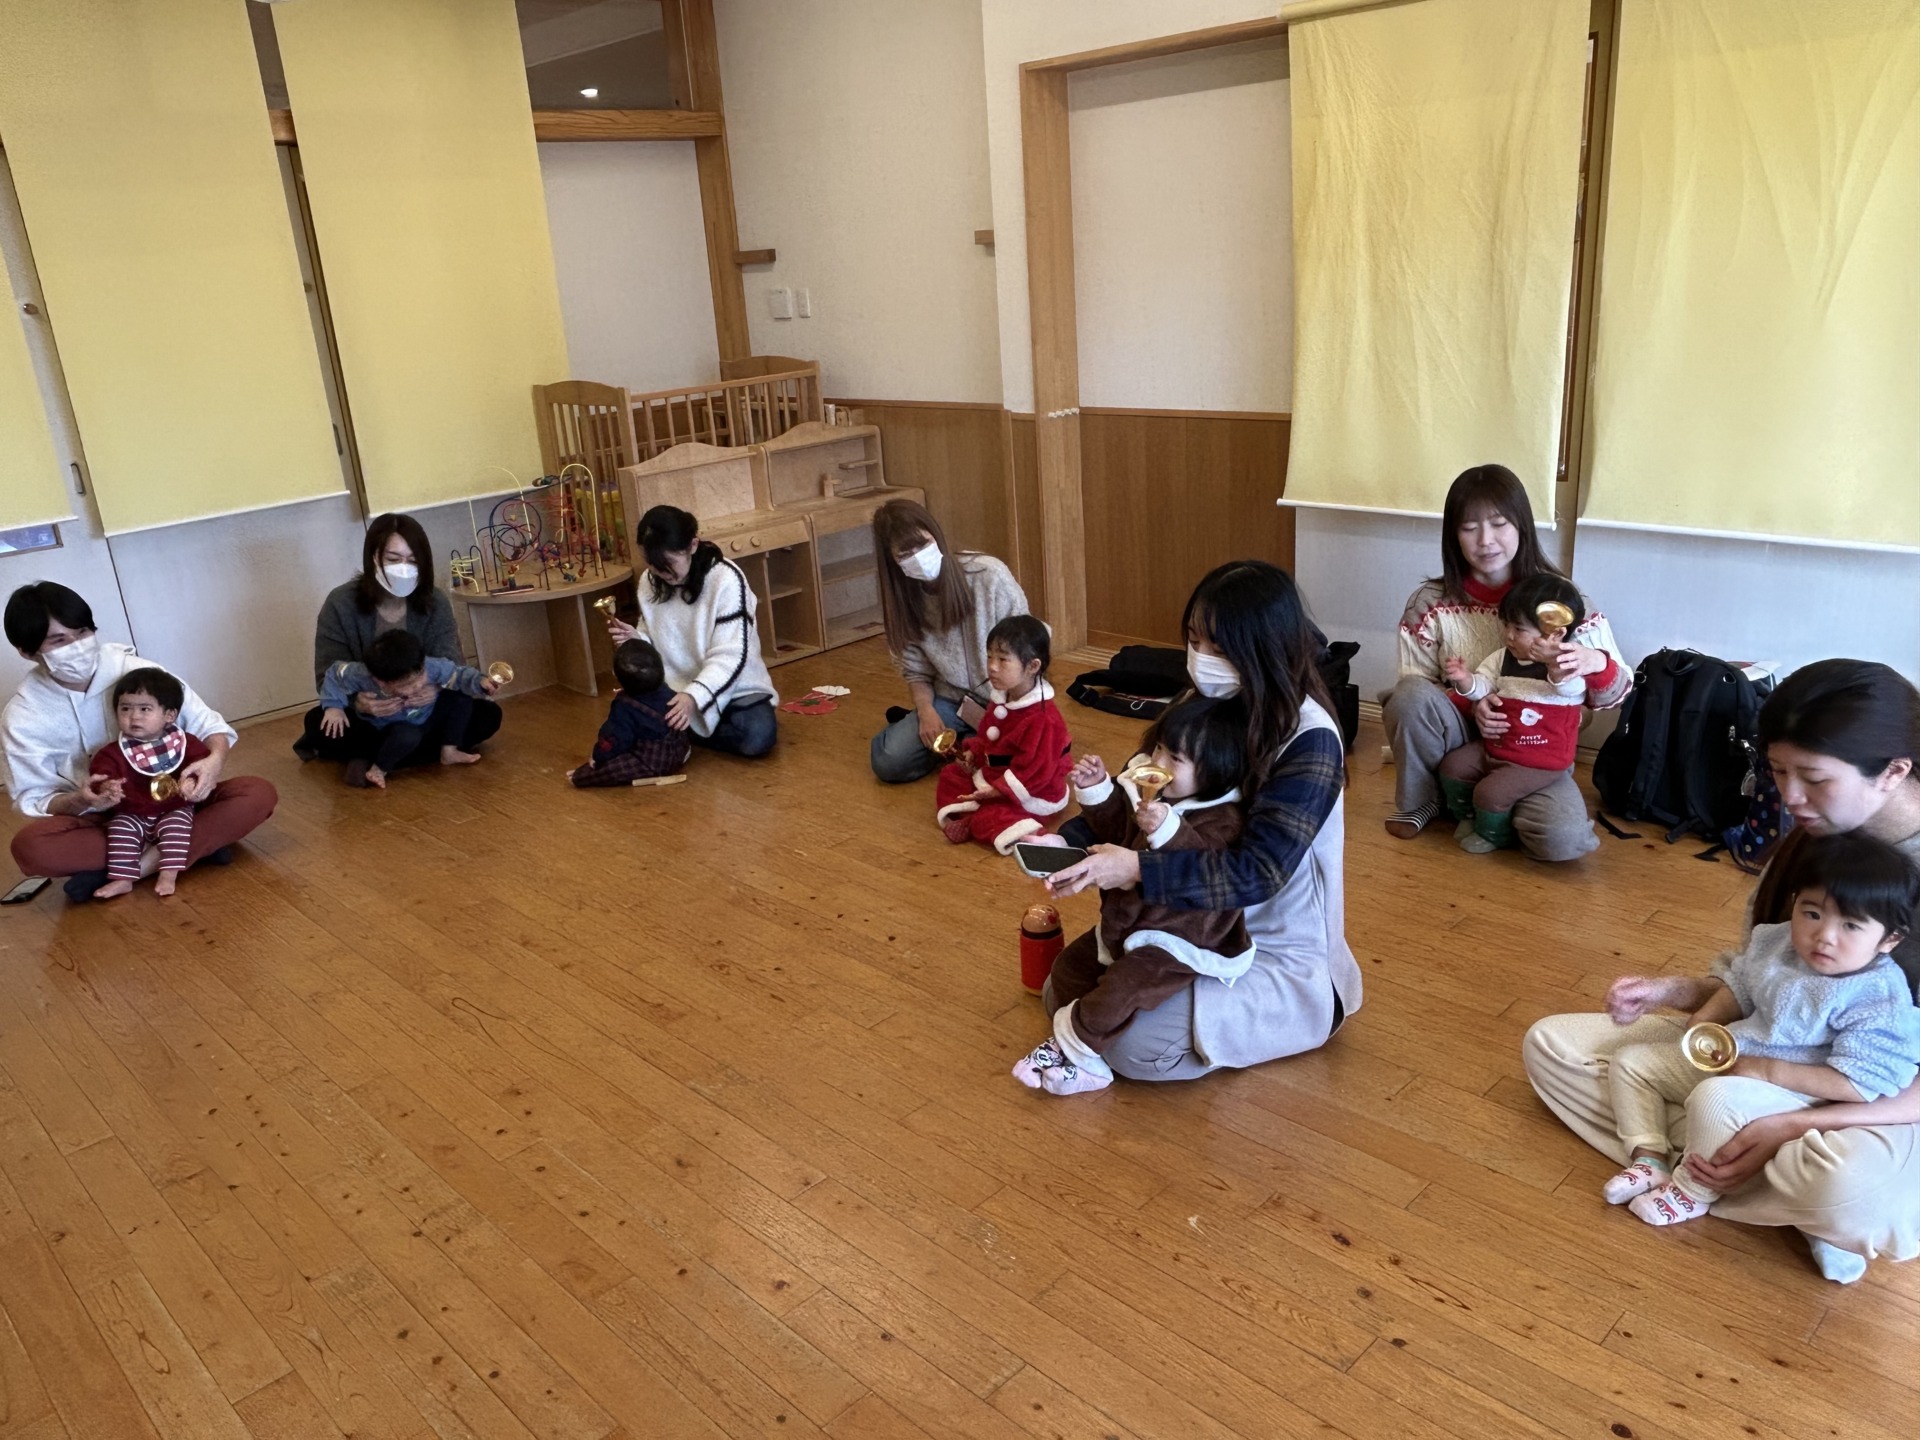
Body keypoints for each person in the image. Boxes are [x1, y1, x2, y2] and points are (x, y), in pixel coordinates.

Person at [1524, 659, 1920, 1282]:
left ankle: (1737, 1165)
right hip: (1760, 1056)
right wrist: (1675, 992)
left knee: (1852, 1188)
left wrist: (1792, 1122)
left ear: (1894, 771)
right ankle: (1723, 1166)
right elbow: (1763, 984)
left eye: (1814, 778)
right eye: (1778, 771)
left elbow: (1892, 1082)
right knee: (1551, 1045)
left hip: (1877, 1099)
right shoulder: (1808, 844)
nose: (1789, 797)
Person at [1043, 560, 1361, 1081]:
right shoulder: (1207, 699)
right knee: (1062, 990)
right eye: (1194, 641)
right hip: (1181, 919)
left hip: (1263, 945)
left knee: (1130, 1048)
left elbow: (1257, 874)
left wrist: (1136, 870)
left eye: (1220, 648)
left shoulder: (1311, 740)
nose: (1201, 661)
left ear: (1262, 651)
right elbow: (1136, 789)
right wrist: (1065, 843)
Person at [1597, 833, 1920, 1228]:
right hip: (1736, 1060)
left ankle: (1693, 1190)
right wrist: (1705, 1020)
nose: (1825, 936)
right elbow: (1741, 985)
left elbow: (1862, 1083)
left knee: (1714, 1099)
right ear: (1795, 901)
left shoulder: (1879, 998)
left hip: (1799, 1094)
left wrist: (1768, 1071)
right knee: (1632, 1062)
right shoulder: (1776, 942)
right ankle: (1650, 1158)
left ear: (1890, 939)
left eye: (1851, 925)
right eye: (1812, 913)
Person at [1383, 464, 1629, 859]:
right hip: (1459, 742)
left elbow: (1612, 697)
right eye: (1469, 527)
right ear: (1453, 535)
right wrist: (1474, 702)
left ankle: (1488, 806)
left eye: (1499, 524)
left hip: (1534, 751)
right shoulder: (1430, 602)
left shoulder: (1560, 603)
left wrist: (1593, 663)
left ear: (1522, 527)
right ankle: (1423, 801)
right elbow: (1415, 690)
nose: (1486, 541)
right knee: (1408, 695)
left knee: (1562, 841)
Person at [1015, 696, 1253, 1095]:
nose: (1157, 762)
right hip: (1129, 922)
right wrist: (1098, 791)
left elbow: (1203, 869)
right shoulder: (1153, 794)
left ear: (1214, 771)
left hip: (1179, 939)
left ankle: (1079, 1052)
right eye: (1158, 747)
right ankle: (1088, 1045)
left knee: (1123, 988)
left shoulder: (1222, 818)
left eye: (1175, 758)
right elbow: (1118, 832)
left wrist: (1168, 830)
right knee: (1069, 969)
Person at [3, 582, 276, 900]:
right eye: (59, 640)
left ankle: (135, 868)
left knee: (257, 793)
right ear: (27, 651)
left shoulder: (138, 673)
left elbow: (209, 726)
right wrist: (80, 800)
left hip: (179, 802)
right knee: (31, 848)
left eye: (83, 632)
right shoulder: (24, 715)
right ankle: (192, 848)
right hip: (105, 819)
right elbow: (35, 796)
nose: (77, 646)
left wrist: (214, 762)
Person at [297, 513, 503, 767]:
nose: (403, 568)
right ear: (373, 557)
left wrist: (433, 689)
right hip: (373, 715)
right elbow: (328, 673)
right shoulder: (340, 603)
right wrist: (358, 703)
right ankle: (412, 753)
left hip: (423, 709)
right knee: (318, 722)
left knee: (487, 714)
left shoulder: (435, 601)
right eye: (393, 559)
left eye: (413, 561)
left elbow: (450, 663)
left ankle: (378, 757)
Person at [868, 500, 1028, 784]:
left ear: (936, 535)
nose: (918, 557)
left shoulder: (988, 575)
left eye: (923, 545)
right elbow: (915, 669)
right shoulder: (904, 601)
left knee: (1020, 762)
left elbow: (1027, 647)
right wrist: (926, 711)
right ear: (893, 562)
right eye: (905, 554)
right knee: (889, 760)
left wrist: (1014, 711)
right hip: (950, 700)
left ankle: (965, 744)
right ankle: (962, 741)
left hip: (1007, 699)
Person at [604, 506, 778, 757]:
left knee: (757, 736)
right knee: (629, 713)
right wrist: (637, 639)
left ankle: (677, 732)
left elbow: (730, 656)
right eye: (652, 564)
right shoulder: (650, 581)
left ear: (693, 545)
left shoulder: (726, 579)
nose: (661, 573)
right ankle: (679, 728)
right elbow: (652, 637)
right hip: (674, 689)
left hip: (734, 688)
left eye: (669, 564)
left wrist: (693, 697)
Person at [1438, 574, 1590, 853]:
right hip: (1497, 746)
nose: (1508, 634)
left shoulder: (1569, 665)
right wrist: (1464, 679)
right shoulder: (1502, 657)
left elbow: (1571, 689)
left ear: (1555, 634)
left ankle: (1494, 834)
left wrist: (1553, 663)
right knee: (1453, 767)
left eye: (1518, 628)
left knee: (1490, 793)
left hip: (1538, 760)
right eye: (1506, 624)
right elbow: (1482, 687)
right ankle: (1468, 816)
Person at [933, 615, 1071, 852]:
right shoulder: (1003, 696)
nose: (992, 667)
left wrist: (997, 790)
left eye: (1003, 659)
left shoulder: (1042, 717)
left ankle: (1030, 833)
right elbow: (987, 739)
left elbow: (1036, 771)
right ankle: (977, 815)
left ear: (1032, 666)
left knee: (991, 815)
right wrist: (973, 754)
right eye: (989, 656)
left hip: (1032, 790)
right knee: (950, 775)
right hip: (998, 775)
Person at [317, 630, 498, 789]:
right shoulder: (361, 675)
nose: (417, 686)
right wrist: (334, 708)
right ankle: (379, 768)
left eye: (421, 677)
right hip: (394, 726)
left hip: (427, 714)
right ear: (381, 681)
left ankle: (449, 751)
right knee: (406, 736)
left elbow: (457, 673)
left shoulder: (430, 665)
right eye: (407, 685)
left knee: (462, 699)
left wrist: (480, 681)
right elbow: (334, 674)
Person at [86, 668, 209, 900]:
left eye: (145, 709)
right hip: (131, 812)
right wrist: (106, 788)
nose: (134, 717)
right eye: (125, 709)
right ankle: (122, 879)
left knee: (178, 829)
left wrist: (192, 782)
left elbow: (201, 764)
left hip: (173, 807)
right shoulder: (111, 753)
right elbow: (100, 775)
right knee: (119, 831)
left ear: (169, 715)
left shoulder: (186, 743)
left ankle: (168, 874)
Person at [569, 639, 690, 787]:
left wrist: (598, 756)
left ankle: (580, 777)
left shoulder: (623, 707)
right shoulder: (666, 689)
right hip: (680, 749)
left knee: (613, 769)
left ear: (615, 676)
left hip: (655, 763)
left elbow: (613, 739)